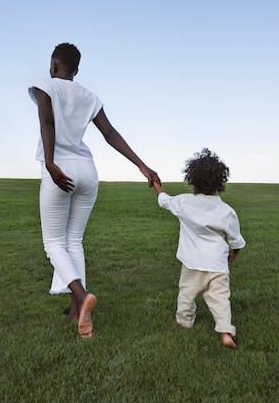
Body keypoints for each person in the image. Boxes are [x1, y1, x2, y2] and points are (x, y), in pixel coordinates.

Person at [29, 43, 160, 339]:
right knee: (74, 240)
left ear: (53, 65)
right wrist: (142, 166)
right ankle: (78, 312)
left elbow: (46, 122)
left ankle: (81, 294)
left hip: (59, 169)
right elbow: (110, 133)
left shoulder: (44, 86)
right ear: (76, 70)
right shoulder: (89, 96)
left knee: (53, 243)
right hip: (88, 172)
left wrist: (50, 162)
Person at [151, 148, 245, 348]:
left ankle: (185, 322)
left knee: (186, 294)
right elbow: (235, 239)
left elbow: (164, 201)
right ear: (221, 182)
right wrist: (234, 253)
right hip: (217, 266)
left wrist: (156, 185)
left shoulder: (185, 202)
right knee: (220, 300)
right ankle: (226, 331)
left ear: (192, 179)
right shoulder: (227, 211)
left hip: (192, 264)